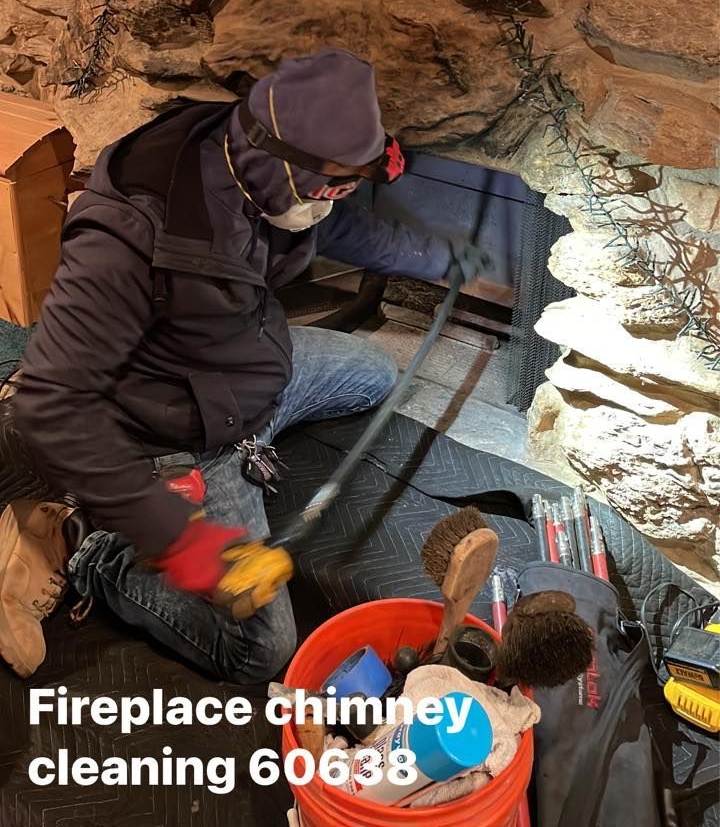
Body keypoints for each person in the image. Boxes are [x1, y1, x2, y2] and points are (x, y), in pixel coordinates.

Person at [1, 49, 486, 682]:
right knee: (263, 648)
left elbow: (329, 227)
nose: (333, 201)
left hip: (245, 374)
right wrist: (185, 545)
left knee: (375, 372)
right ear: (275, 164)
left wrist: (436, 257)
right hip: (175, 432)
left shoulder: (269, 173)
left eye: (348, 186)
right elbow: (51, 405)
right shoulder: (129, 236)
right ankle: (94, 548)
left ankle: (242, 443)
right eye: (328, 186)